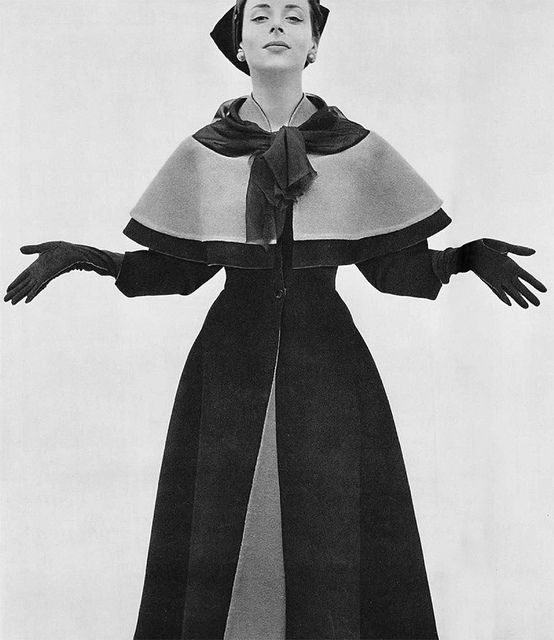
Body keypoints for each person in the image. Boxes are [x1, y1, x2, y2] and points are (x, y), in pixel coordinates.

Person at [4, 1, 547, 639]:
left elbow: (390, 269)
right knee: (220, 523)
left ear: (314, 44)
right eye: (260, 16)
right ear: (239, 44)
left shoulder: (357, 149)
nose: (277, 27)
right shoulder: (205, 152)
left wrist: (463, 258)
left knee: (334, 523)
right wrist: (87, 258)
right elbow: (179, 270)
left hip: (329, 367)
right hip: (227, 367)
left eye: (293, 17)